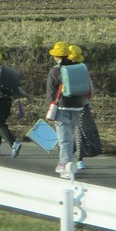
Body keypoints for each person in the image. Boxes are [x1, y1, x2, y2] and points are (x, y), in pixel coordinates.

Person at [45, 41, 87, 179]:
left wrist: (49, 109)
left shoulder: (55, 71)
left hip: (62, 106)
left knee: (64, 138)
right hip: (77, 106)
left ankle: (65, 166)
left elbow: (50, 92)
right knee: (69, 136)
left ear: (56, 56)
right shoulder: (78, 68)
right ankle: (69, 162)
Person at [68, 45, 101, 170]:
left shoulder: (63, 70)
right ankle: (78, 158)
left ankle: (71, 158)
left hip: (66, 105)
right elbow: (91, 90)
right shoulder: (83, 70)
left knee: (70, 131)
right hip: (82, 104)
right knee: (80, 131)